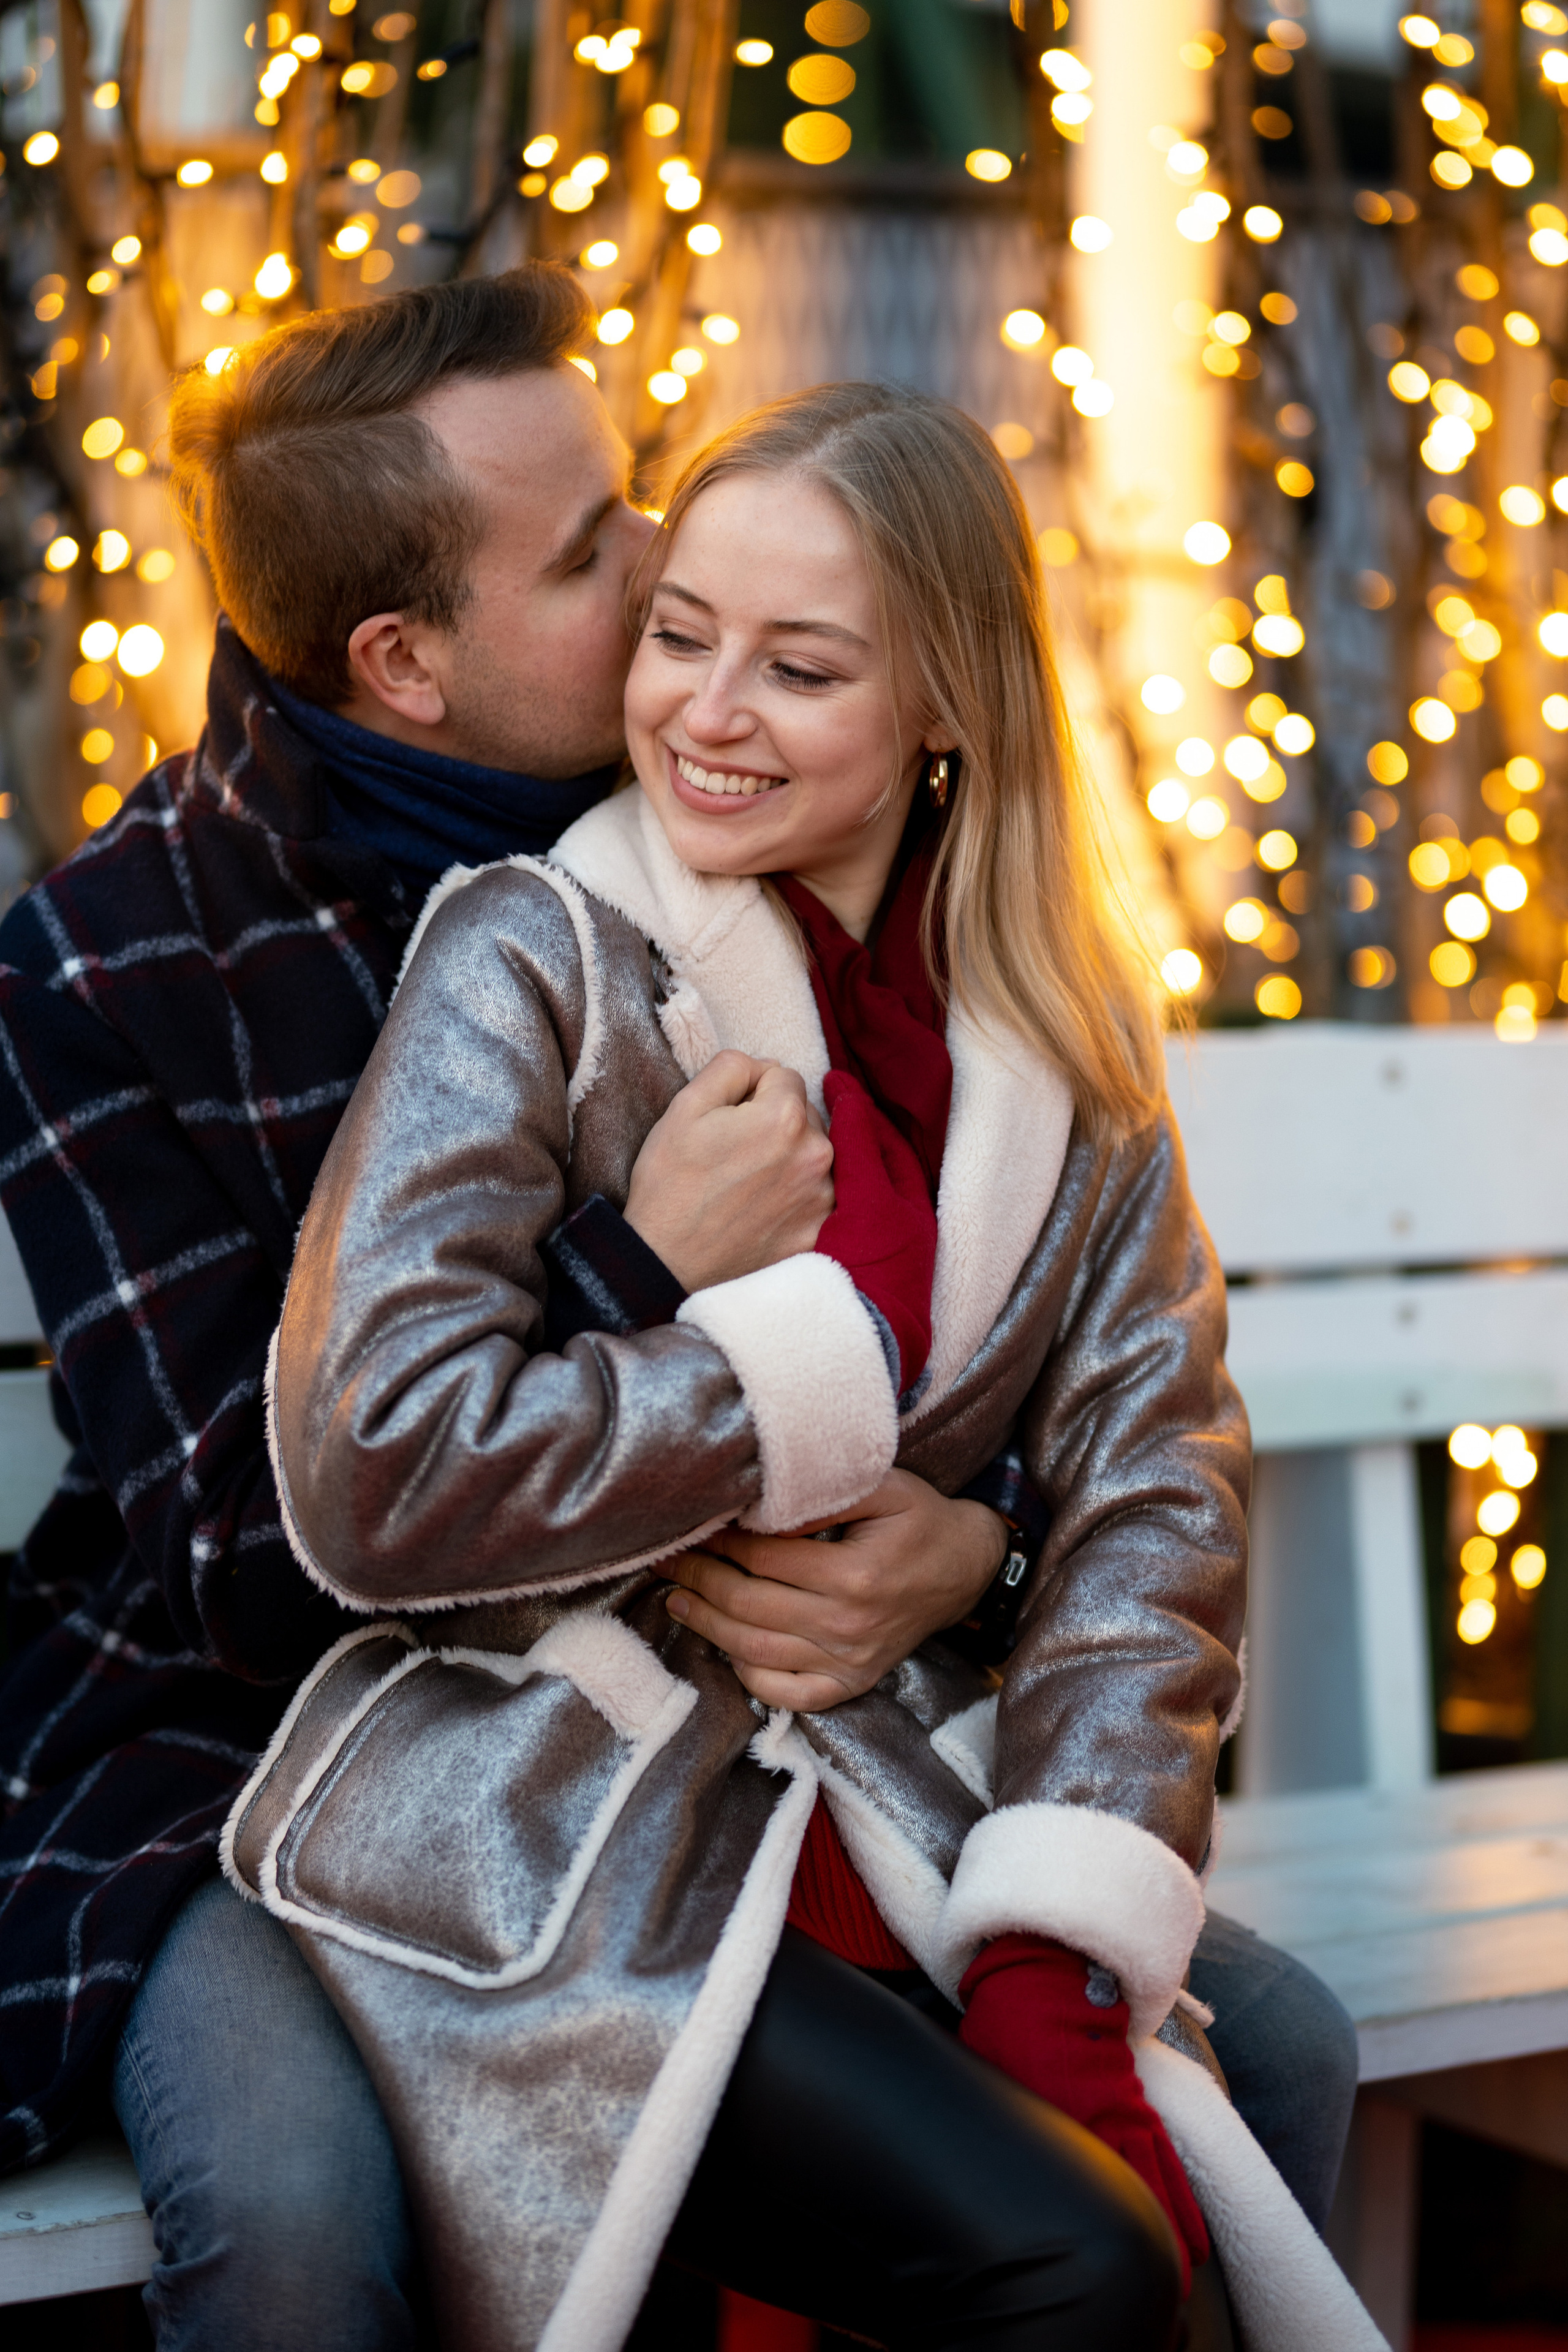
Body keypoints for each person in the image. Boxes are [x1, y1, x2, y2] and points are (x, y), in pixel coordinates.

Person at [0, 268, 1354, 2348]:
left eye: (650, 510)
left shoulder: (727, 829)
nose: (670, 581)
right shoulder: (131, 960)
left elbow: (1050, 1378)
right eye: (602, 549)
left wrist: (969, 1562)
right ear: (407, 660)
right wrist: (644, 1268)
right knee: (294, 2216)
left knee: (1256, 2042)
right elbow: (259, 1555)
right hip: (244, 1752)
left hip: (727, 1713)